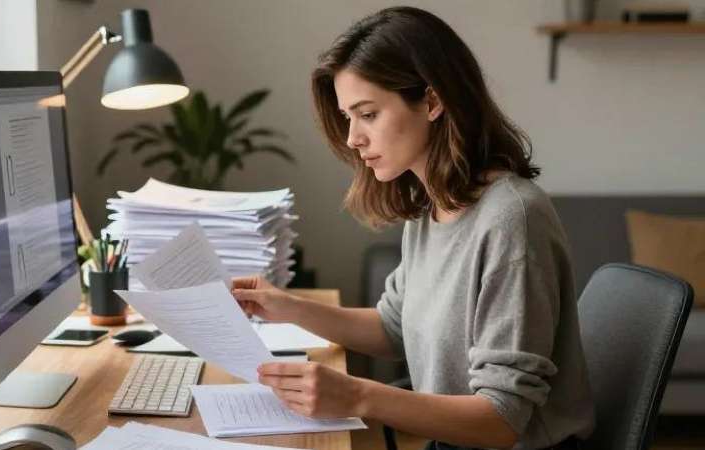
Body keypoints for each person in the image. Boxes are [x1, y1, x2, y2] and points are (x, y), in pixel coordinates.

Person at [231, 6, 595, 450]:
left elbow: (502, 420)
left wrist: (357, 394)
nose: (352, 138)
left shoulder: (512, 219)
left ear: (433, 101)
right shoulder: (433, 205)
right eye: (349, 117)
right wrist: (285, 306)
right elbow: (391, 328)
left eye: (368, 114)